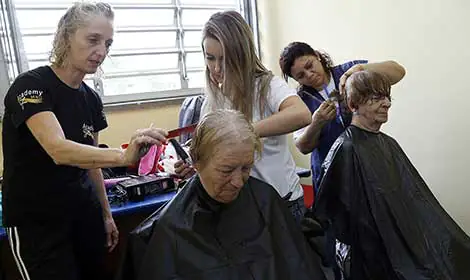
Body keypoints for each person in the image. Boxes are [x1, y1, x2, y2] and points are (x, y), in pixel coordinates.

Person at [1, 2, 167, 280]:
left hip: (82, 212)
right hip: (37, 222)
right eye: (92, 40)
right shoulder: (31, 86)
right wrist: (123, 156)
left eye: (108, 44)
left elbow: (91, 162)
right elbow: (58, 149)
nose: (101, 52)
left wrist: (105, 214)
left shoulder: (90, 99)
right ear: (67, 36)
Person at [117, 109, 328, 280]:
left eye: (246, 168)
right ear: (196, 162)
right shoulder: (164, 232)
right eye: (226, 170)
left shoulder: (266, 201)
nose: (238, 182)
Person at [313, 70, 470, 280]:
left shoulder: (388, 144)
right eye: (376, 98)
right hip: (372, 252)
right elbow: (334, 213)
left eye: (387, 97)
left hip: (400, 242)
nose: (387, 103)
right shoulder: (346, 148)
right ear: (353, 105)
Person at [175, 11, 312, 223]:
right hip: (239, 208)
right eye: (210, 58)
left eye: (225, 59)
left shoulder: (266, 86)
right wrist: (193, 165)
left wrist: (244, 131)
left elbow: (301, 114)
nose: (217, 68)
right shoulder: (212, 101)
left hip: (281, 204)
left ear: (241, 55)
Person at [279, 41, 406, 192]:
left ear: (317, 56)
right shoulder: (300, 100)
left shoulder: (350, 74)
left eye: (309, 66)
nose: (309, 75)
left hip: (367, 163)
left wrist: (362, 69)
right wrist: (317, 123)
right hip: (330, 174)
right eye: (301, 76)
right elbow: (303, 147)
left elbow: (398, 72)